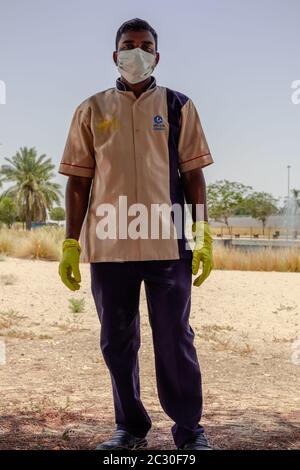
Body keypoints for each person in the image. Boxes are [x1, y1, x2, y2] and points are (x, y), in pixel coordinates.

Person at [58, 18, 214, 451]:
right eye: (129, 45)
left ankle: (189, 430)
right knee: (116, 341)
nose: (137, 53)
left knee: (175, 337)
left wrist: (201, 233)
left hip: (168, 243)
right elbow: (77, 183)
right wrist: (71, 242)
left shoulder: (179, 106)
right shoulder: (91, 109)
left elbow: (194, 175)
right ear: (115, 55)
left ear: (157, 56)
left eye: (146, 46)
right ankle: (129, 427)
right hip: (109, 243)